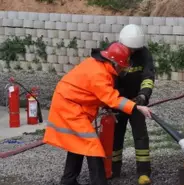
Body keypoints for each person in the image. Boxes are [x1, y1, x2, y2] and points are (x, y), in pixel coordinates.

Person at [42, 42, 152, 185]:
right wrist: (136, 107)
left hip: (71, 104)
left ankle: (68, 180)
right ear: (115, 64)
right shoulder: (99, 74)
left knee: (78, 143)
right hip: (70, 107)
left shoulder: (98, 66)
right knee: (92, 145)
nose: (122, 70)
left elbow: (97, 93)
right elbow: (111, 98)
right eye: (122, 67)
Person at [108, 24, 155, 185]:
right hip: (118, 102)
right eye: (130, 48)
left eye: (135, 49)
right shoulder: (114, 52)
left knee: (141, 136)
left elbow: (148, 77)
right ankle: (113, 169)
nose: (132, 52)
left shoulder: (144, 54)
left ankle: (143, 172)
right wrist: (111, 102)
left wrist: (143, 95)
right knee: (115, 136)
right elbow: (109, 79)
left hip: (137, 101)